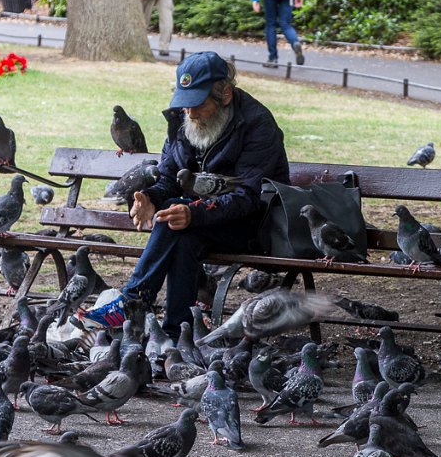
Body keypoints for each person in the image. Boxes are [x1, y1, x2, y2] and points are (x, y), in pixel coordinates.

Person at [77, 51, 290, 339]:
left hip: (253, 225)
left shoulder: (257, 124)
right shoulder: (182, 119)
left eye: (197, 105)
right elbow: (168, 176)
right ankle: (179, 333)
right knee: (183, 232)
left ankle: (132, 302)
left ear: (225, 94)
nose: (189, 113)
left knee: (180, 217)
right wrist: (149, 197)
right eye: (184, 104)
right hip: (202, 222)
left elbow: (249, 197)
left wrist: (194, 212)